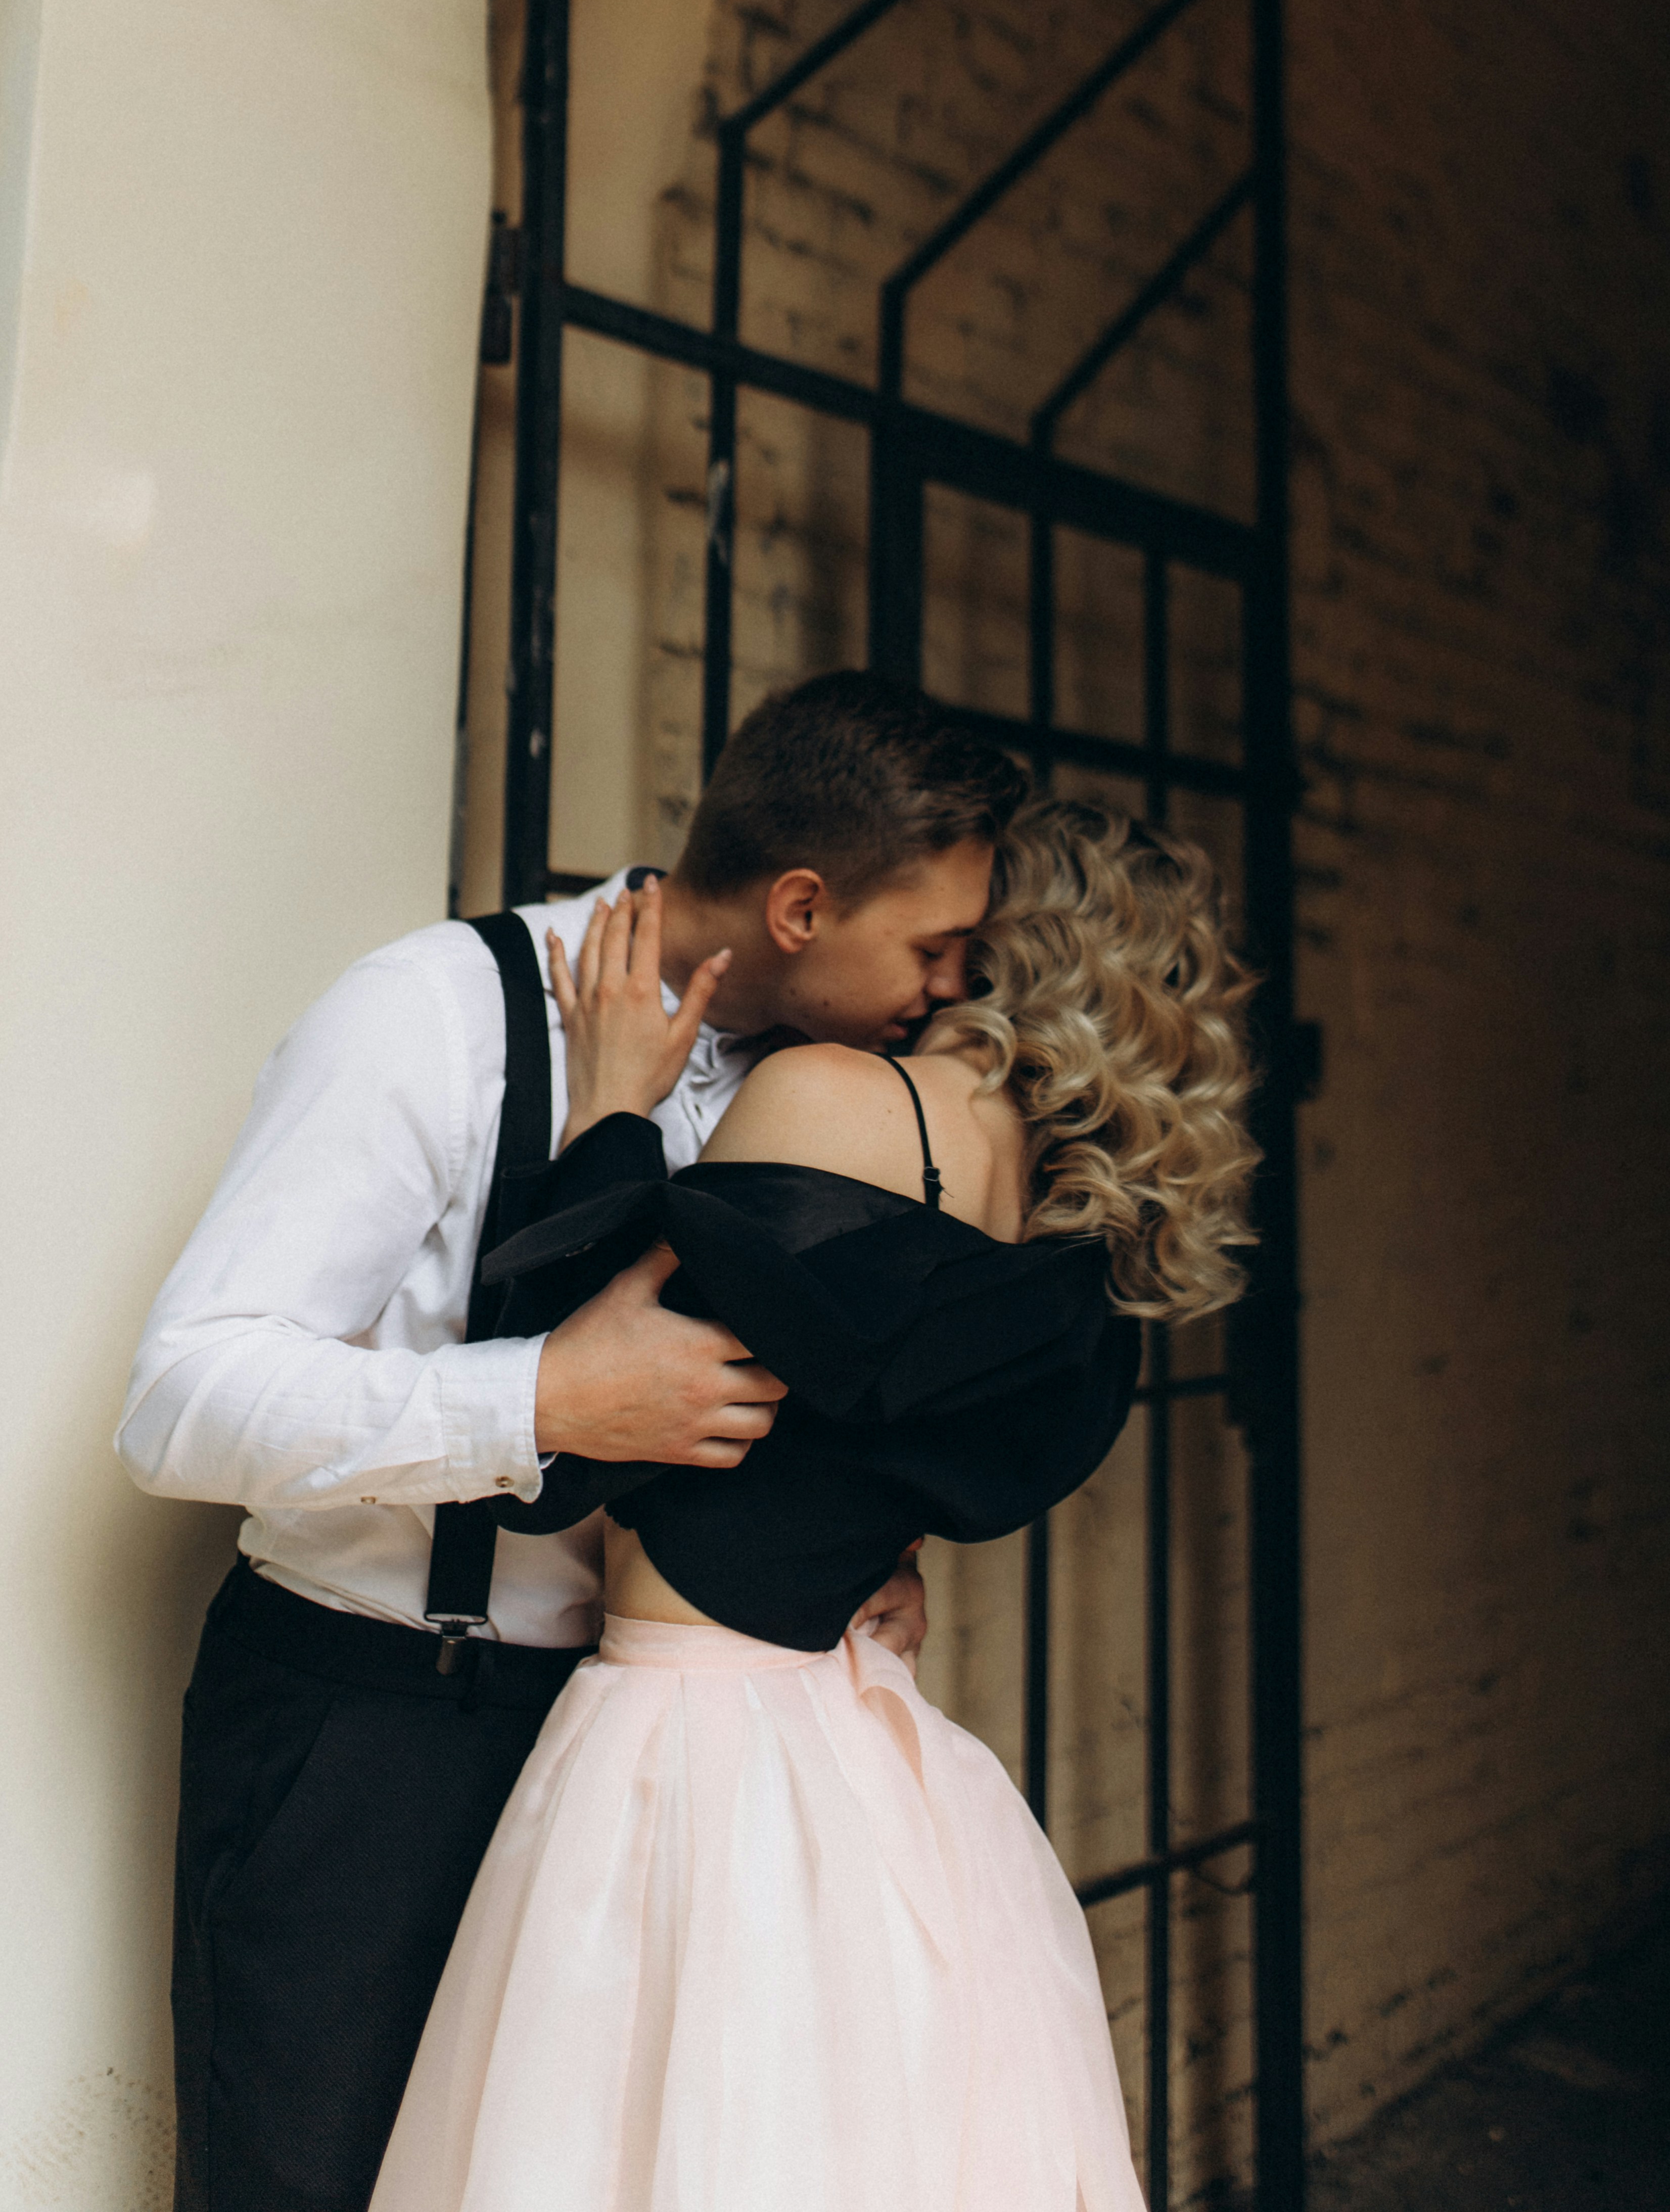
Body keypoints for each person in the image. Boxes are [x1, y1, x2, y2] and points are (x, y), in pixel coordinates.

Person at [118, 671, 1028, 2212]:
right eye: (932, 948)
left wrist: (865, 1557)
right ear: (803, 906)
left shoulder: (827, 1096)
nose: (949, 990)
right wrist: (538, 1402)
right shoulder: (434, 1015)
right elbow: (182, 1397)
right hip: (379, 1734)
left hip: (637, 1762)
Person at [368, 795, 1260, 2212]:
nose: (930, 963)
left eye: (956, 929)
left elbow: (571, 1441)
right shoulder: (1071, 1222)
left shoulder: (836, 1100)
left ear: (1002, 947)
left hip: (682, 1735)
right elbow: (886, 1439)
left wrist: (610, 1108)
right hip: (862, 1738)